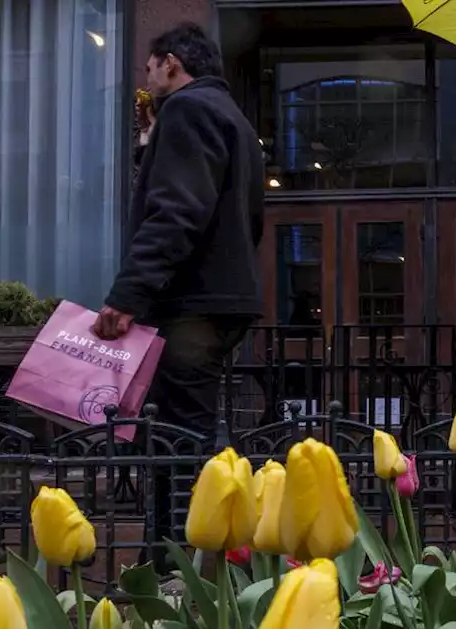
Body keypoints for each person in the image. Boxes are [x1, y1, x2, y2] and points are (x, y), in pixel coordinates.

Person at [93, 22, 264, 437]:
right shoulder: (232, 117)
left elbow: (176, 212)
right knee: (187, 426)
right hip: (222, 299)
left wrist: (128, 295)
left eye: (150, 70)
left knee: (180, 437)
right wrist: (151, 143)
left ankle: (191, 504)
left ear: (171, 64)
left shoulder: (187, 109)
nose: (147, 82)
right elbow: (233, 211)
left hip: (192, 304)